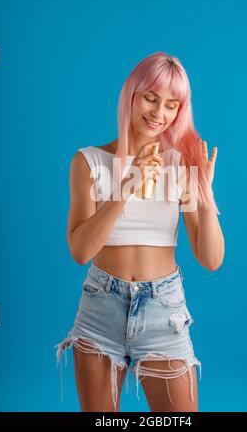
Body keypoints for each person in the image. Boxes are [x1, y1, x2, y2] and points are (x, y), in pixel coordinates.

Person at [55, 52, 225, 412]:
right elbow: (80, 251)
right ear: (131, 94)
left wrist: (206, 199)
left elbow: (210, 259)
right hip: (100, 308)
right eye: (150, 97)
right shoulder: (88, 161)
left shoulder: (182, 165)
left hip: (163, 309)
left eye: (171, 105)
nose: (158, 113)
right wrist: (125, 188)